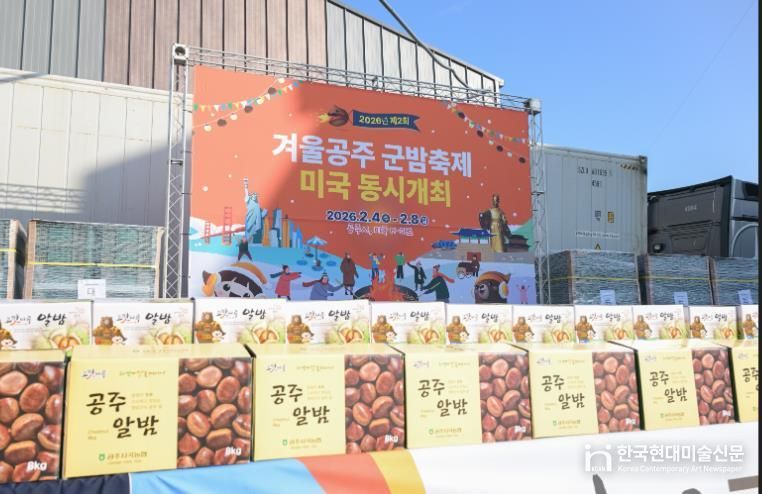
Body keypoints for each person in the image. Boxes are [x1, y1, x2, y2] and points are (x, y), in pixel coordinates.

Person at [244, 177, 267, 244]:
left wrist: (264, 212)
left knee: (256, 238)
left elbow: (260, 215)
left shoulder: (257, 205)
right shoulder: (249, 202)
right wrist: (246, 185)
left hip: (256, 224)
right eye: (253, 195)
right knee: (249, 236)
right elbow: (246, 193)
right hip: (250, 222)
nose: (255, 196)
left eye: (256, 195)